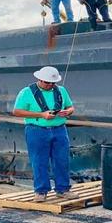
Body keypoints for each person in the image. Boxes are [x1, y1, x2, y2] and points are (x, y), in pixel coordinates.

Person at [12, 66, 78, 202]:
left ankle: (63, 189)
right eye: (47, 82)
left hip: (59, 129)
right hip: (36, 130)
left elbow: (70, 106)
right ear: (40, 80)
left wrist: (68, 111)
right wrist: (41, 115)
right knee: (39, 161)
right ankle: (41, 191)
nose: (50, 85)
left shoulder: (61, 91)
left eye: (53, 83)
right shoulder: (26, 92)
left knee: (62, 160)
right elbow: (17, 111)